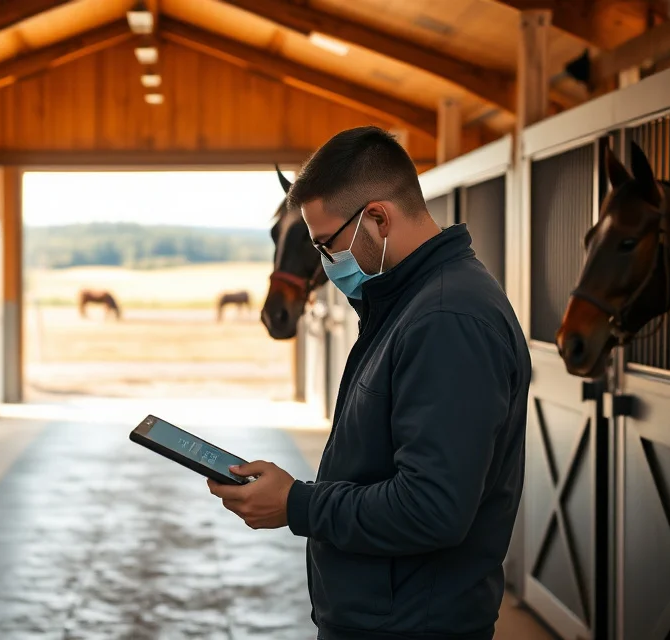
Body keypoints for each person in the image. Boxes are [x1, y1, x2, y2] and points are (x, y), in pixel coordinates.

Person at [210, 126, 531, 640]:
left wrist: (298, 503)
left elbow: (432, 509)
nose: (325, 263)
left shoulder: (446, 318)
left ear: (378, 218)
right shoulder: (408, 304)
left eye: (326, 244)